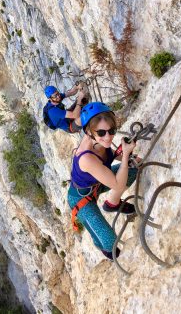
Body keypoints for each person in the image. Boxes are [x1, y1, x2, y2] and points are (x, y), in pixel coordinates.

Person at [67, 102, 138, 260]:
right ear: (89, 132)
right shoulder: (86, 158)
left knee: (133, 168)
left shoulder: (98, 141)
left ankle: (112, 203)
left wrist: (128, 156)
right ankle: (101, 244)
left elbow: (111, 154)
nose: (108, 137)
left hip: (96, 185)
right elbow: (118, 184)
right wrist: (125, 156)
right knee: (110, 243)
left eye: (111, 130)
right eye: (101, 132)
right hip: (80, 199)